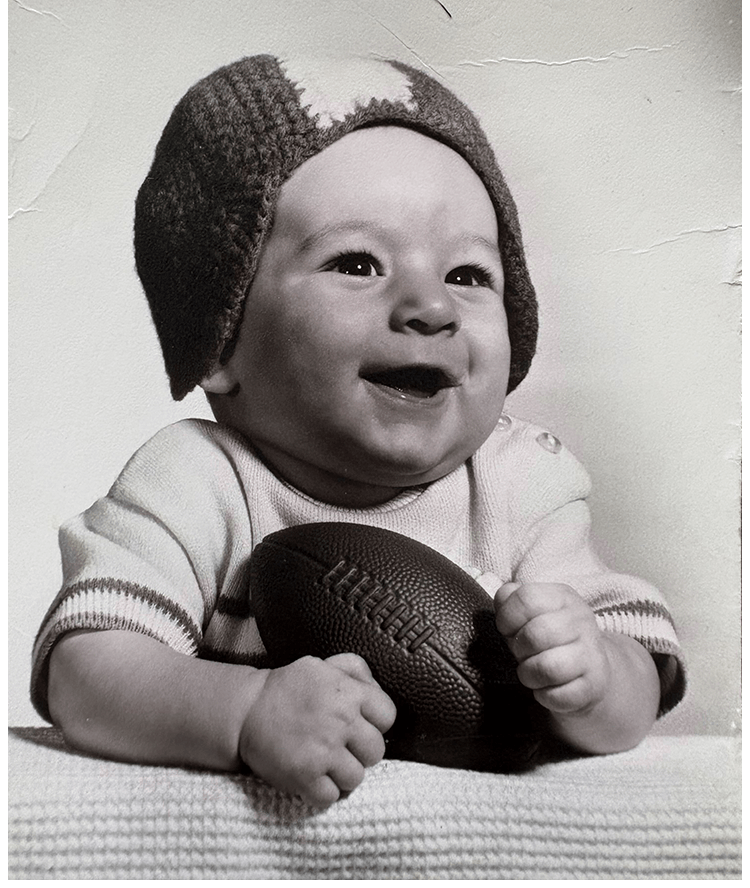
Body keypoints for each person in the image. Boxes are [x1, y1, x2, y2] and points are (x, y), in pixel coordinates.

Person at [31, 54, 685, 808]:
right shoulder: (198, 483)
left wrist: (595, 673)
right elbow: (85, 672)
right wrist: (240, 712)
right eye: (357, 263)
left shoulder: (518, 485)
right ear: (219, 341)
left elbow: (634, 703)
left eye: (469, 275)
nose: (430, 307)